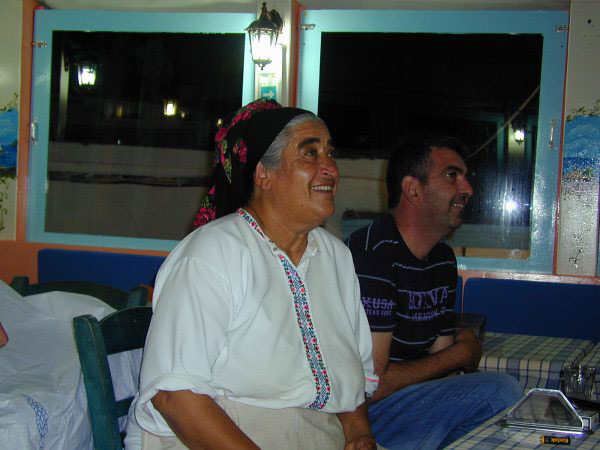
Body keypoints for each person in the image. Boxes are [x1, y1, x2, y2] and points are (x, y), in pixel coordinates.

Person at [134, 98, 379, 450]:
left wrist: (359, 435)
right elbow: (175, 396)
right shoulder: (212, 253)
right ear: (263, 173)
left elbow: (350, 376)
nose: (331, 169)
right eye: (310, 154)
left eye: (330, 153)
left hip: (320, 435)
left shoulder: (336, 258)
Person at [345, 134, 523, 449]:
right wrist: (461, 352)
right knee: (501, 391)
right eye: (452, 176)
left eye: (465, 178)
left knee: (514, 421)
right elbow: (371, 385)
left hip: (408, 402)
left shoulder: (442, 260)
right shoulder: (372, 253)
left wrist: (456, 350)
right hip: (360, 417)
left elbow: (440, 363)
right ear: (413, 189)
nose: (467, 189)